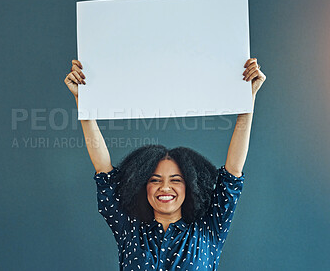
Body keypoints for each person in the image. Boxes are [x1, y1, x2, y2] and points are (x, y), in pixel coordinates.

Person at [64, 58, 266, 271]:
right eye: (155, 180)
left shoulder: (209, 230)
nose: (165, 188)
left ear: (190, 187)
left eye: (176, 180)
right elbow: (103, 169)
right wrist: (82, 100)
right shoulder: (130, 230)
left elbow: (232, 174)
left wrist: (247, 99)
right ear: (143, 186)